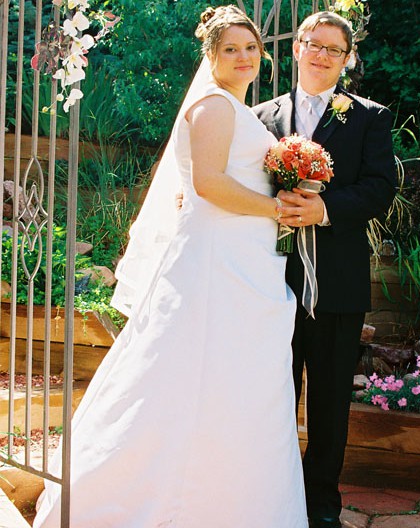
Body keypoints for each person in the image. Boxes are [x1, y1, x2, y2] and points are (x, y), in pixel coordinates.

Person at [33, 6, 308, 527]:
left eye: (251, 48)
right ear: (211, 56)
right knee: (192, 371)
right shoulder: (213, 108)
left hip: (245, 261)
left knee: (235, 380)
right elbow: (208, 185)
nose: (244, 57)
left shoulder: (234, 108)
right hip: (215, 264)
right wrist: (279, 209)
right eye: (231, 49)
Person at [254, 11, 396, 528]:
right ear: (296, 48)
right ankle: (272, 497)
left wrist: (325, 208)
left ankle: (321, 506)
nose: (321, 55)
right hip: (269, 284)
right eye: (313, 44)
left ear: (347, 59)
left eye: (333, 49)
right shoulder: (261, 117)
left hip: (337, 285)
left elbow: (382, 188)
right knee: (273, 394)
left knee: (331, 402)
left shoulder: (369, 116)